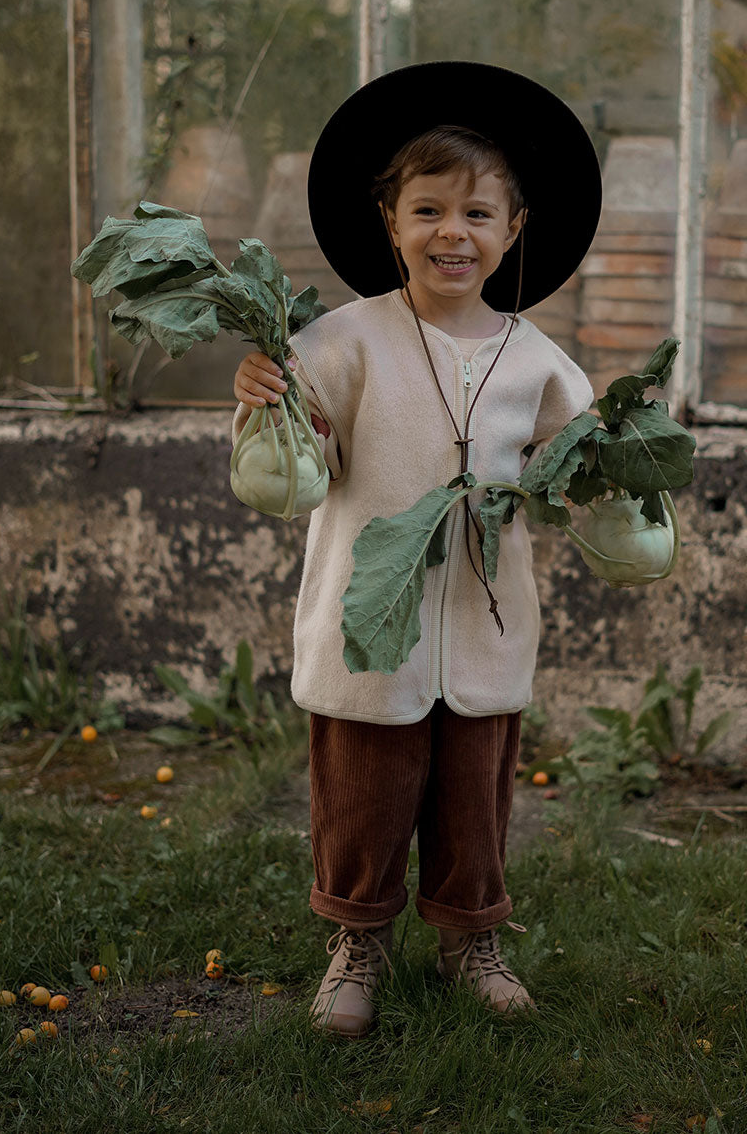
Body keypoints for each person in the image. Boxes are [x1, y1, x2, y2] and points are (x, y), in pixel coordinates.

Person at [233, 61, 602, 1038]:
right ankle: (357, 942)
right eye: (429, 210)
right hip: (371, 621)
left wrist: (604, 480)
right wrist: (268, 412)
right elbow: (300, 471)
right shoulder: (340, 344)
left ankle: (470, 937)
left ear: (513, 230)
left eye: (478, 214)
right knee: (364, 791)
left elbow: (586, 478)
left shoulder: (541, 364)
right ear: (389, 222)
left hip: (483, 624)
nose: (453, 232)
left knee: (471, 796)